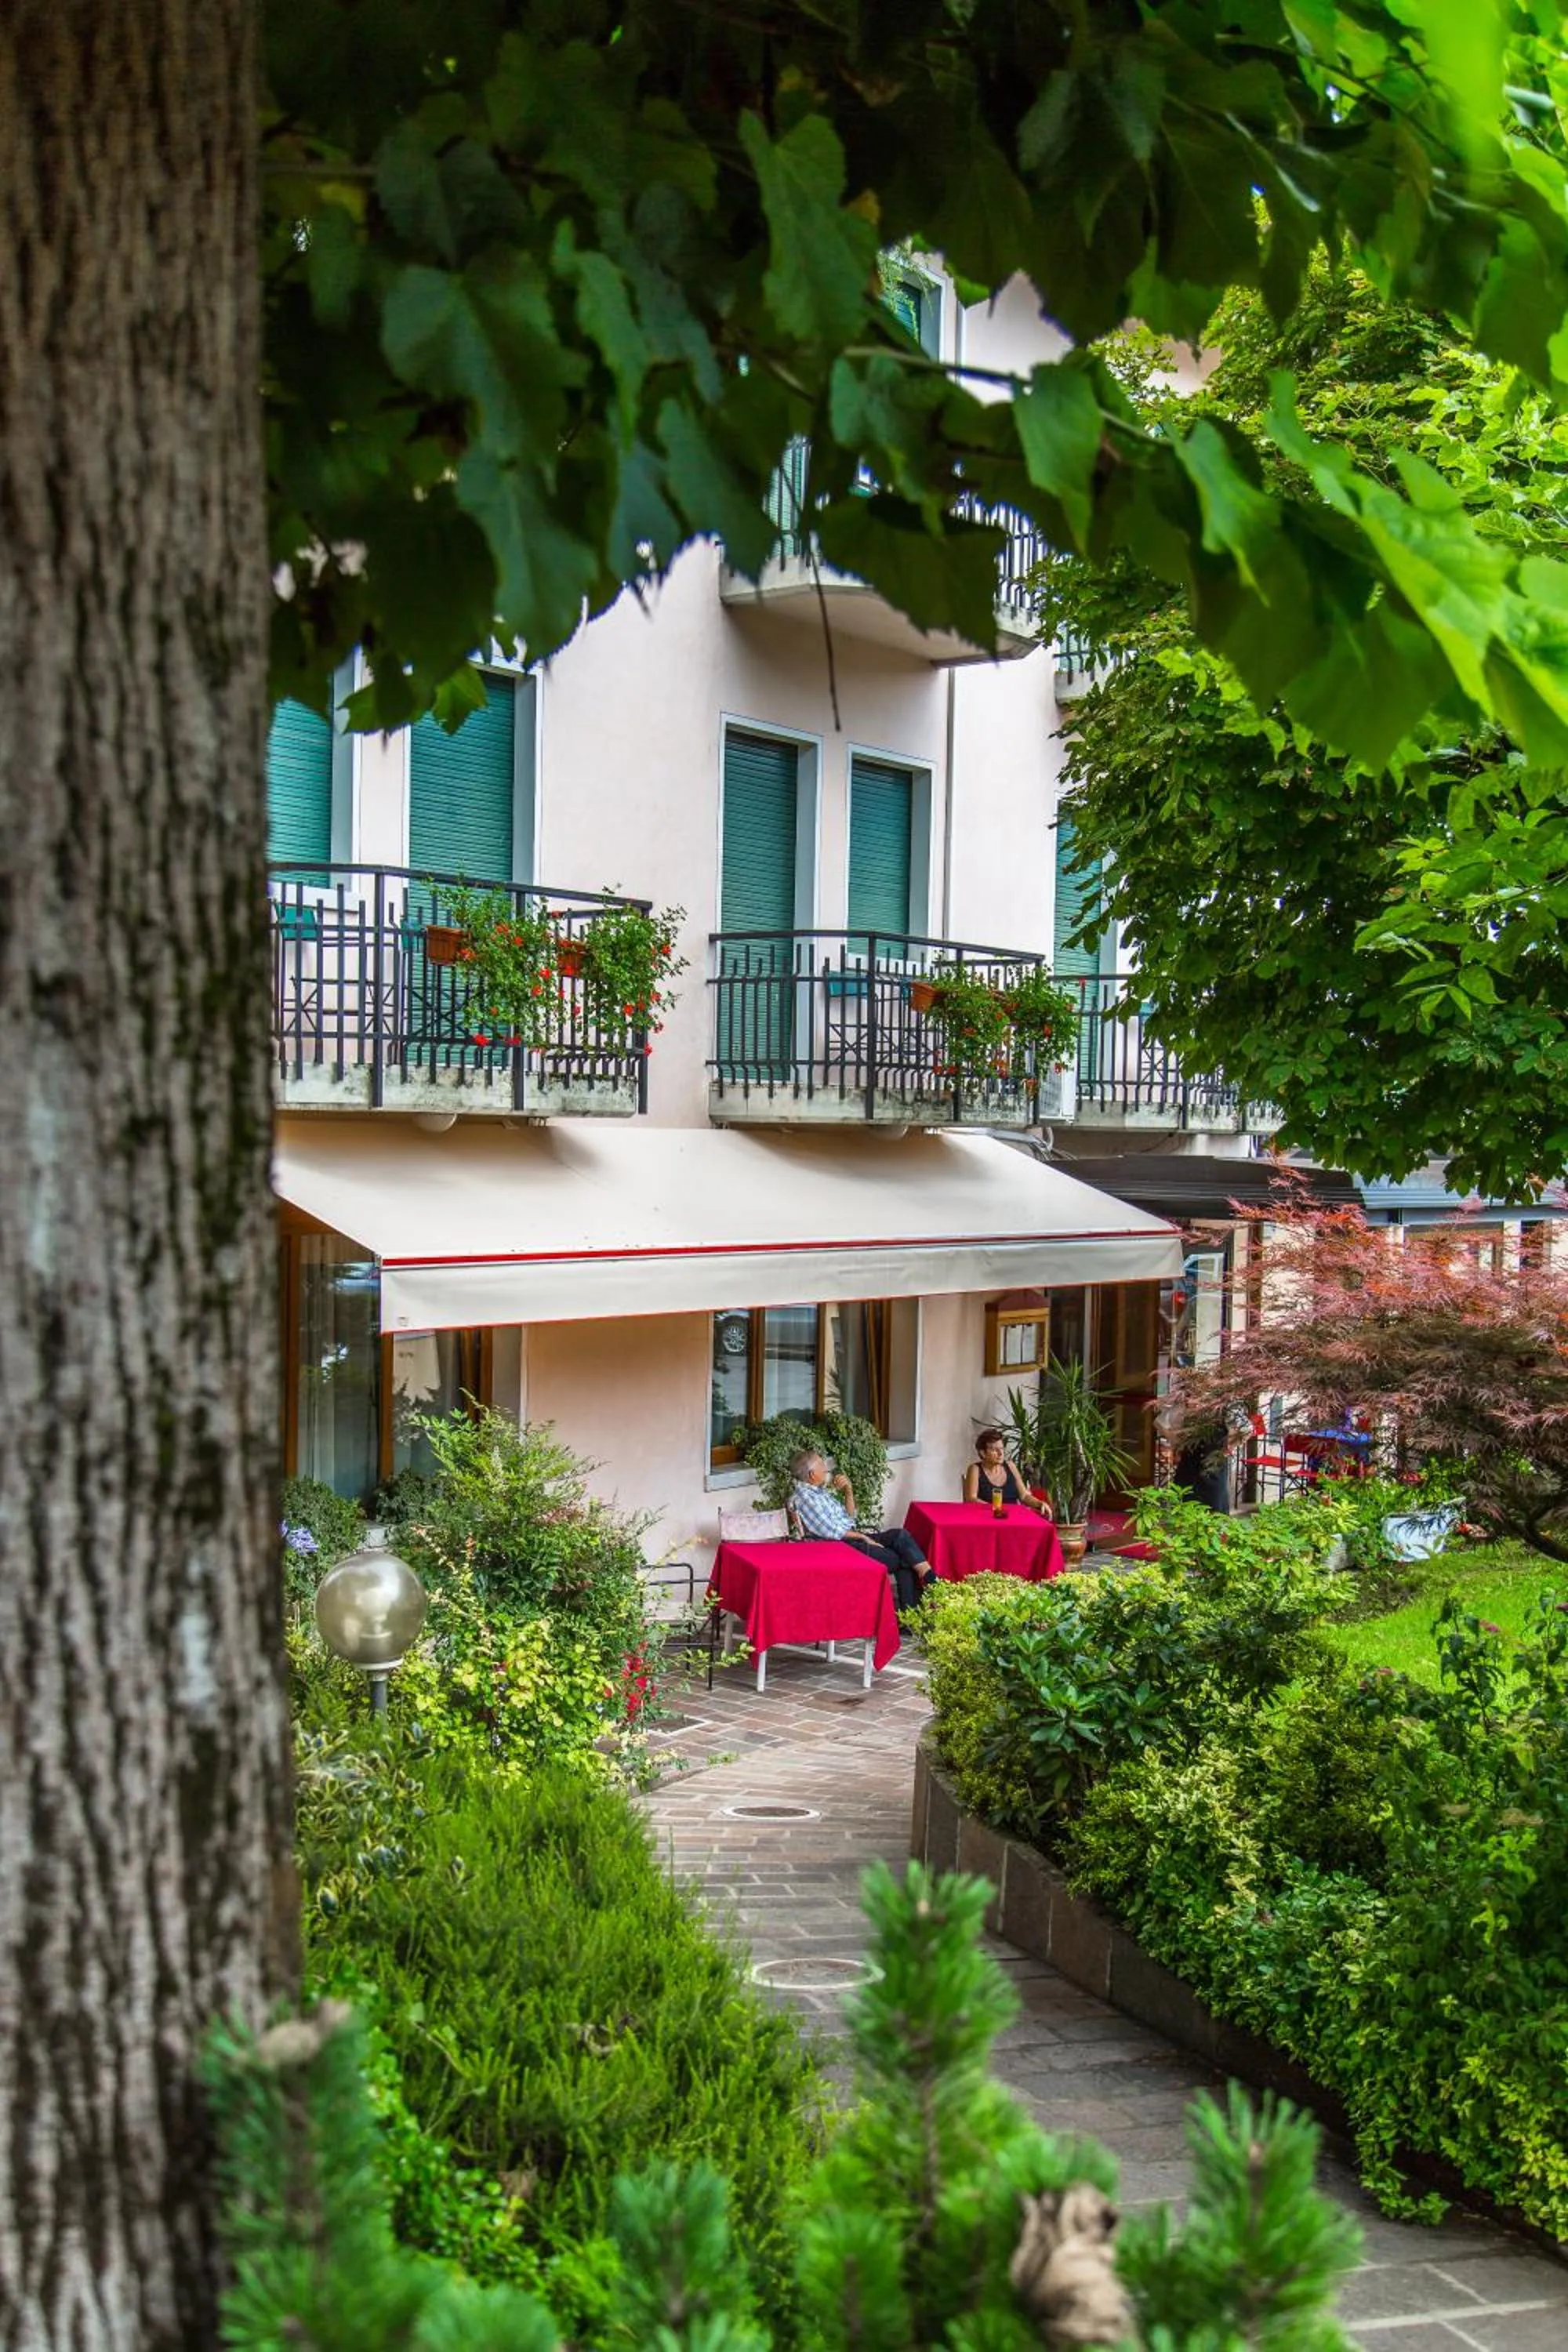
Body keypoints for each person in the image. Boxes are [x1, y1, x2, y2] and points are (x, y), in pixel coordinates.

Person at [788, 1450, 936, 1613]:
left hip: (851, 1539)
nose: (826, 1469)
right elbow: (831, 1531)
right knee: (903, 1558)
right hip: (839, 1548)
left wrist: (848, 1490)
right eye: (821, 1465)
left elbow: (850, 1519)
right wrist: (864, 1538)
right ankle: (928, 1593)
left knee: (900, 1536)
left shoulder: (818, 1492)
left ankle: (929, 1583)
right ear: (811, 1474)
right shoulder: (805, 1497)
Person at [963, 1428, 1052, 1515]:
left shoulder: (1010, 1466)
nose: (1000, 1453)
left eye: (1001, 1448)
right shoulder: (975, 1469)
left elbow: (1024, 1496)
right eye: (995, 1450)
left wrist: (1040, 1503)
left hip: (1013, 1517)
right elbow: (971, 1499)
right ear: (983, 1453)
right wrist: (997, 1509)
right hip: (987, 1518)